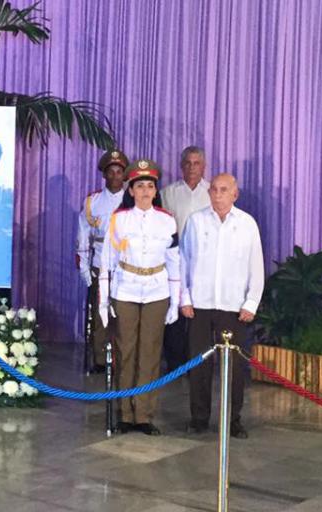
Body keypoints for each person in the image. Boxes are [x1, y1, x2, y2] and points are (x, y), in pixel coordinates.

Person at [98, 159, 180, 436]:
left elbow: (174, 261)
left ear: (156, 190)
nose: (145, 191)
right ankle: (125, 413)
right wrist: (103, 301)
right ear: (131, 190)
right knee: (126, 351)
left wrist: (176, 300)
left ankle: (143, 414)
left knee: (150, 353)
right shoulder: (119, 219)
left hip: (157, 290)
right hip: (126, 290)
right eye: (140, 186)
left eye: (150, 186)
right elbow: (107, 262)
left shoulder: (167, 220)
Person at [180, 173, 264, 439]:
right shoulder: (196, 221)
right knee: (199, 365)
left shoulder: (247, 224)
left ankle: (232, 420)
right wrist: (185, 297)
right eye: (214, 189)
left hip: (233, 307)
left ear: (234, 194)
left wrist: (251, 302)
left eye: (224, 190)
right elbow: (183, 261)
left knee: (234, 368)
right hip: (200, 305)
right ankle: (199, 418)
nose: (217, 194)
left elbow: (256, 266)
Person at [159, 146, 211, 370]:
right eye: (188, 163)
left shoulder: (212, 192)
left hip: (203, 263)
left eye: (196, 163)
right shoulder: (167, 193)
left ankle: (198, 363)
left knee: (199, 315)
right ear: (181, 166)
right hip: (175, 262)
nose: (192, 168)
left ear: (204, 166)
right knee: (175, 314)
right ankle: (174, 364)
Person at [76, 149, 128, 373]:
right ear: (104, 175)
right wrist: (84, 268)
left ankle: (122, 358)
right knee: (100, 314)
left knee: (124, 314)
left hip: (126, 266)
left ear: (124, 175)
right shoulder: (93, 201)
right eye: (111, 172)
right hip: (100, 265)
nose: (115, 176)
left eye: (119, 172)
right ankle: (99, 359)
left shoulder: (132, 199)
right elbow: (83, 235)